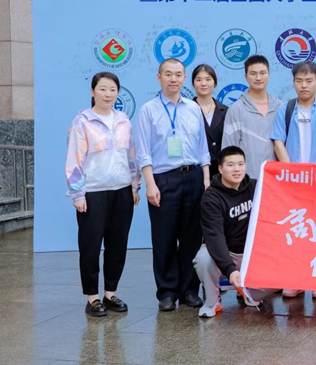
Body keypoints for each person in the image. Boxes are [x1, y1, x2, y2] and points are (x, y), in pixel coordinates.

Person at [135, 58, 211, 311]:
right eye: (168, 74)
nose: (173, 79)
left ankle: (189, 290)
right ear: (159, 78)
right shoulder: (148, 110)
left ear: (184, 78)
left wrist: (206, 181)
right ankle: (167, 292)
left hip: (193, 177)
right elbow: (143, 152)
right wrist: (150, 184)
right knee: (164, 238)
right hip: (163, 179)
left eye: (178, 74)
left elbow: (203, 148)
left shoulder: (193, 108)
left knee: (192, 237)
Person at [66, 72, 140, 317]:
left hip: (122, 190)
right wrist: (78, 194)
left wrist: (134, 186)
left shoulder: (123, 120)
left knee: (118, 244)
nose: (108, 94)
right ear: (92, 91)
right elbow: (75, 159)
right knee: (90, 246)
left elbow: (131, 155)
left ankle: (110, 294)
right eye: (103, 89)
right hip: (93, 192)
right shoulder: (82, 122)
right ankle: (92, 298)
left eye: (112, 90)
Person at [270, 61, 316, 299]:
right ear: (293, 83)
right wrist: (292, 175)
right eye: (299, 81)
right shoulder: (286, 109)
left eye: (309, 81)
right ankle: (294, 279)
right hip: (292, 183)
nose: (304, 85)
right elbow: (278, 142)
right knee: (295, 230)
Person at [194, 146, 280, 317]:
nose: (237, 169)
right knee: (203, 259)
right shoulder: (211, 197)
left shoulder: (256, 186)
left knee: (284, 269)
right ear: (220, 168)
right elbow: (214, 236)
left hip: (252, 254)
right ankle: (212, 301)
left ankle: (250, 293)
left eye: (241, 164)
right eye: (231, 165)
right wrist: (230, 269)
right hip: (226, 253)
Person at [222, 55, 282, 180]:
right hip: (246, 180)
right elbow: (229, 148)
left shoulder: (280, 107)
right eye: (253, 74)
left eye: (262, 73)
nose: (258, 78)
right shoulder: (236, 109)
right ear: (246, 77)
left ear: (269, 75)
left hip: (276, 179)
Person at [192, 64, 228, 179]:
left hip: (221, 170)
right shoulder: (186, 111)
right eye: (199, 80)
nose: (203, 83)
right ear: (193, 84)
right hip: (195, 169)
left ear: (215, 83)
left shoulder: (226, 111)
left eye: (208, 79)